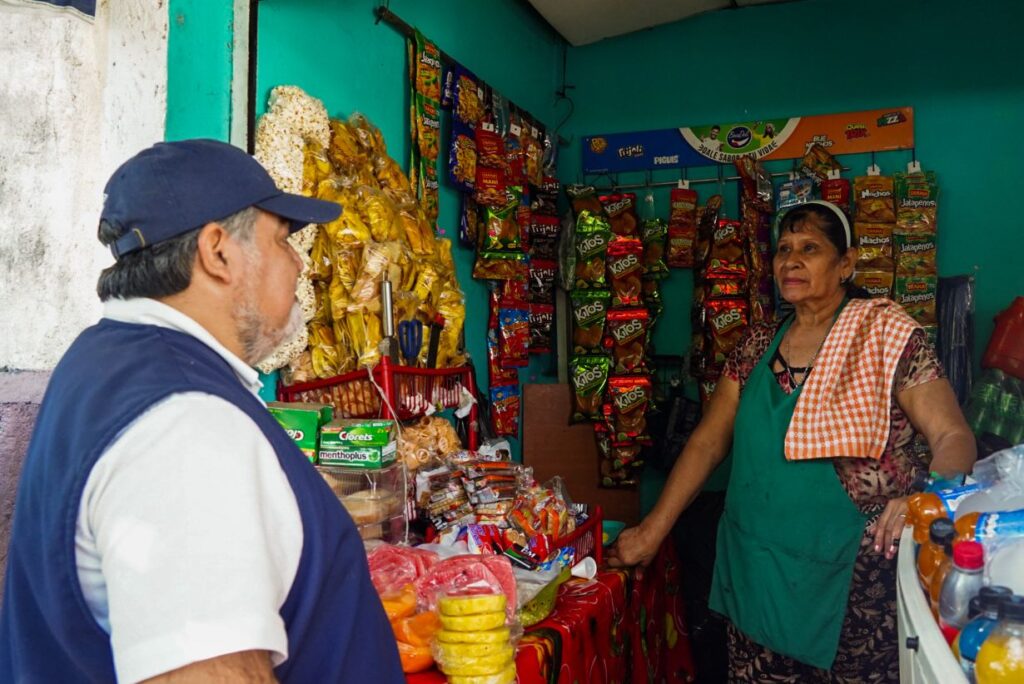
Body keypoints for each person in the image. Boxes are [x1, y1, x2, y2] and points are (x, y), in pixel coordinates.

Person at [0, 140, 405, 684]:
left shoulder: (102, 360)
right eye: (284, 240)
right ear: (218, 251)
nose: (299, 262)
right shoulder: (186, 429)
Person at [609, 200, 976, 682]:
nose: (791, 260)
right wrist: (653, 530)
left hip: (853, 582)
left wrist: (924, 500)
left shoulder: (886, 334)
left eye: (810, 248)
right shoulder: (756, 344)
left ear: (846, 263)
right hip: (758, 570)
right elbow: (707, 443)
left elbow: (953, 436)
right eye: (784, 249)